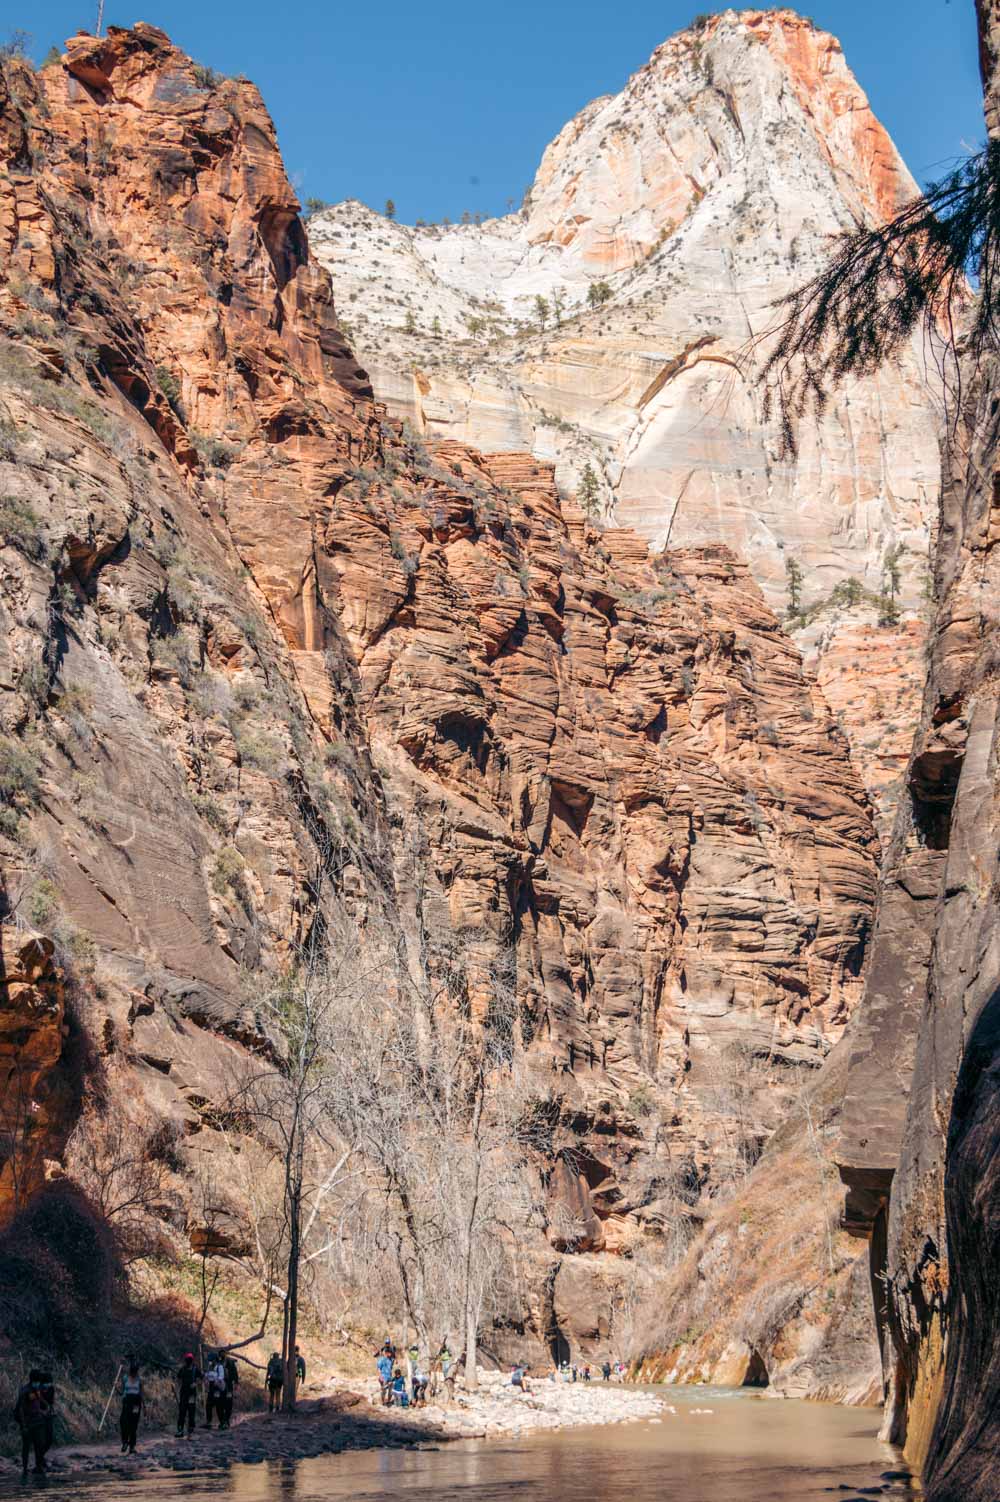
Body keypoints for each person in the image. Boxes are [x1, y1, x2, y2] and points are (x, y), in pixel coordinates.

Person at [13, 1370, 49, 1476]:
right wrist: (23, 1426)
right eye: (36, 1381)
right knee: (26, 1446)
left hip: (38, 1421)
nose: (38, 1383)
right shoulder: (24, 1391)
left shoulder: (37, 1389)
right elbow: (20, 1409)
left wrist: (46, 1406)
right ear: (32, 1380)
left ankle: (38, 1467)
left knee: (40, 1444)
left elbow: (39, 1400)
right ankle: (24, 1469)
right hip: (27, 1423)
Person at [175, 1352, 202, 1438]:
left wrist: (196, 1383)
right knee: (182, 1412)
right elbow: (178, 1378)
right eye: (187, 1360)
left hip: (191, 1394)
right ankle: (180, 1430)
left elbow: (201, 1377)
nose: (188, 1361)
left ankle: (191, 1429)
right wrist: (178, 1386)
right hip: (183, 1393)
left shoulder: (195, 1369)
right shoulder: (182, 1369)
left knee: (191, 1411)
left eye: (190, 1360)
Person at [119, 1361, 144, 1454]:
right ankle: (125, 1442)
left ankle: (132, 1446)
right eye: (132, 1372)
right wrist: (117, 1389)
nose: (133, 1374)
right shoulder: (125, 1378)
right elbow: (122, 1391)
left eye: (135, 1372)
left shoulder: (139, 1379)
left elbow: (141, 1393)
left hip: (136, 1403)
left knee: (133, 1425)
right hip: (127, 1402)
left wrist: (143, 1406)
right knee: (124, 1422)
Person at [204, 1352, 226, 1429]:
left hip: (217, 1388)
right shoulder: (209, 1367)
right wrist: (206, 1379)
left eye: (211, 1360)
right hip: (211, 1387)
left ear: (214, 1360)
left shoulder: (219, 1367)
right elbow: (206, 1375)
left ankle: (222, 1423)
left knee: (218, 1406)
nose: (209, 1362)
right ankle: (208, 1422)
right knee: (208, 1405)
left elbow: (221, 1377)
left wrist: (216, 1381)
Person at [221, 1352, 239, 1429]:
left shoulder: (230, 1363)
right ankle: (224, 1421)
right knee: (222, 1404)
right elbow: (235, 1374)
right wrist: (236, 1383)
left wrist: (236, 1383)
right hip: (224, 1386)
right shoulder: (219, 1363)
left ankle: (226, 1420)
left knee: (227, 1404)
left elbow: (235, 1374)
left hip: (227, 1386)